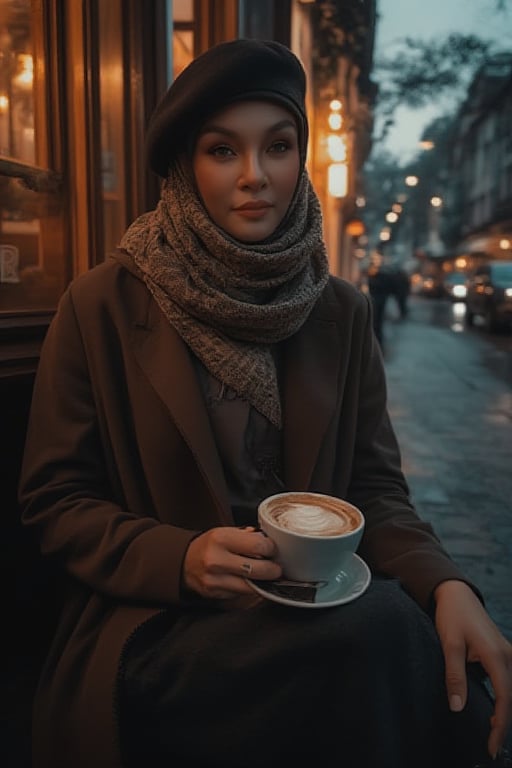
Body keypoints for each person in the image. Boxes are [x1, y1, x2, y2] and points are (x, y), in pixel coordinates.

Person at [19, 39, 512, 768]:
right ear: (187, 165)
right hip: (160, 623)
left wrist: (444, 583)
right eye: (223, 151)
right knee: (376, 640)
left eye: (277, 146)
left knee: (414, 647)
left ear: (299, 156)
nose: (255, 177)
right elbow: (54, 501)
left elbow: (374, 490)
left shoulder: (340, 311)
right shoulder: (103, 304)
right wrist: (181, 558)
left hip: (320, 611)